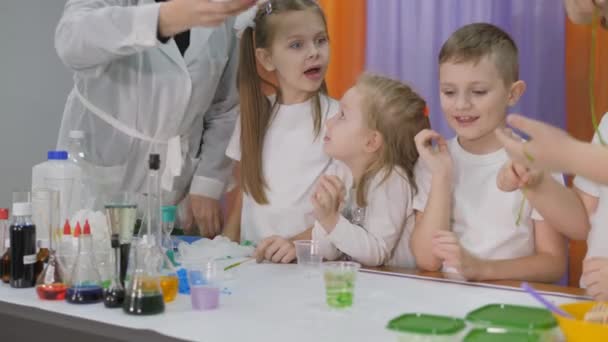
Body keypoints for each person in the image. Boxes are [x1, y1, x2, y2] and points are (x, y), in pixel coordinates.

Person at [54, 0, 255, 237]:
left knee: (159, 264)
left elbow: (224, 108)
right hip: (99, 179)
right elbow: (71, 40)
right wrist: (161, 19)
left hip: (173, 190)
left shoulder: (217, 11)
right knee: (89, 262)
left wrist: (207, 183)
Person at [410, 23, 567, 283]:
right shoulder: (433, 161)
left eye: (479, 92)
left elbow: (553, 262)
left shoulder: (537, 163)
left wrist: (482, 270)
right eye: (449, 92)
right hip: (443, 300)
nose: (461, 104)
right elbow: (427, 260)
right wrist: (441, 177)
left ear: (513, 93)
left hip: (511, 303)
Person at [223, 0, 339, 263]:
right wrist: (223, 249)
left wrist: (297, 243)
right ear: (266, 58)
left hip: (308, 269)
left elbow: (349, 214)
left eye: (321, 40)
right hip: (255, 270)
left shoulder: (340, 120)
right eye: (297, 45)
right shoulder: (251, 120)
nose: (314, 53)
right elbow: (243, 202)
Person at [310, 74, 429, 267]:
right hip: (365, 285)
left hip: (398, 287)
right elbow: (327, 253)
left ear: (371, 141)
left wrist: (331, 220)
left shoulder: (391, 179)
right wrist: (324, 217)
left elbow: (376, 253)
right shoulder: (341, 172)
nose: (329, 122)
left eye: (342, 115)